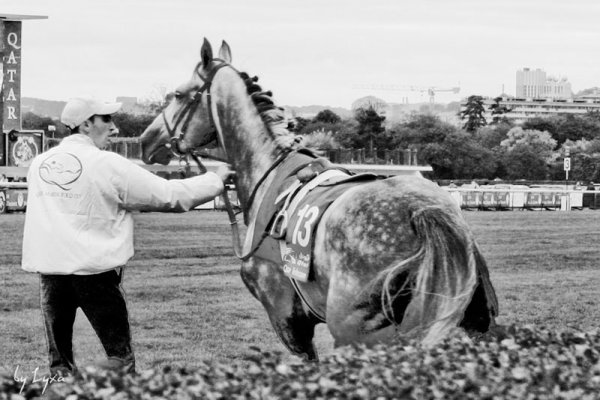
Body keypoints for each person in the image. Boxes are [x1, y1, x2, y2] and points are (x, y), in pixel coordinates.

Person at [21, 96, 234, 375]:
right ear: (86, 124)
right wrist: (215, 179)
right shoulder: (107, 164)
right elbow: (169, 196)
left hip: (50, 276)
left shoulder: (39, 163)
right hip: (96, 275)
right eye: (106, 119)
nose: (114, 128)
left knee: (60, 367)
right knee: (120, 361)